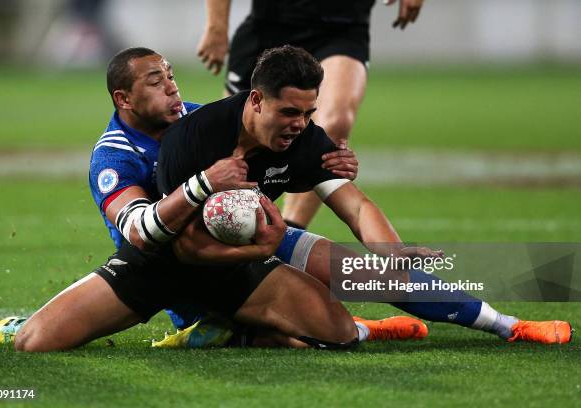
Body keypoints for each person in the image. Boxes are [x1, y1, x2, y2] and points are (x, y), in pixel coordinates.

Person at [0, 47, 421, 351]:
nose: (172, 89)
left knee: (354, 296)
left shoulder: (201, 118)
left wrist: (324, 157)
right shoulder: (113, 158)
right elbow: (140, 231)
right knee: (37, 343)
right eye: (157, 83)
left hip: (234, 248)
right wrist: (203, 185)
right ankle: (230, 328)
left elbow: (272, 135)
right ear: (124, 99)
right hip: (157, 263)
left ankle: (431, 315)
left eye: (172, 77)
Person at [154, 45, 571, 346]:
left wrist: (389, 252)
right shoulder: (190, 143)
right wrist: (257, 252)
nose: (300, 124)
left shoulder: (304, 140)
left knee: (367, 272)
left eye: (308, 113)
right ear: (256, 100)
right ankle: (349, 327)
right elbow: (183, 248)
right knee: (327, 335)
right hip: (193, 270)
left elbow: (353, 203)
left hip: (263, 241)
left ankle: (509, 325)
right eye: (289, 112)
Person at [197, 0, 425, 230]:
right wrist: (217, 26)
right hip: (268, 27)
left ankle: (290, 231)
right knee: (239, 135)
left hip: (342, 29)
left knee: (337, 120)